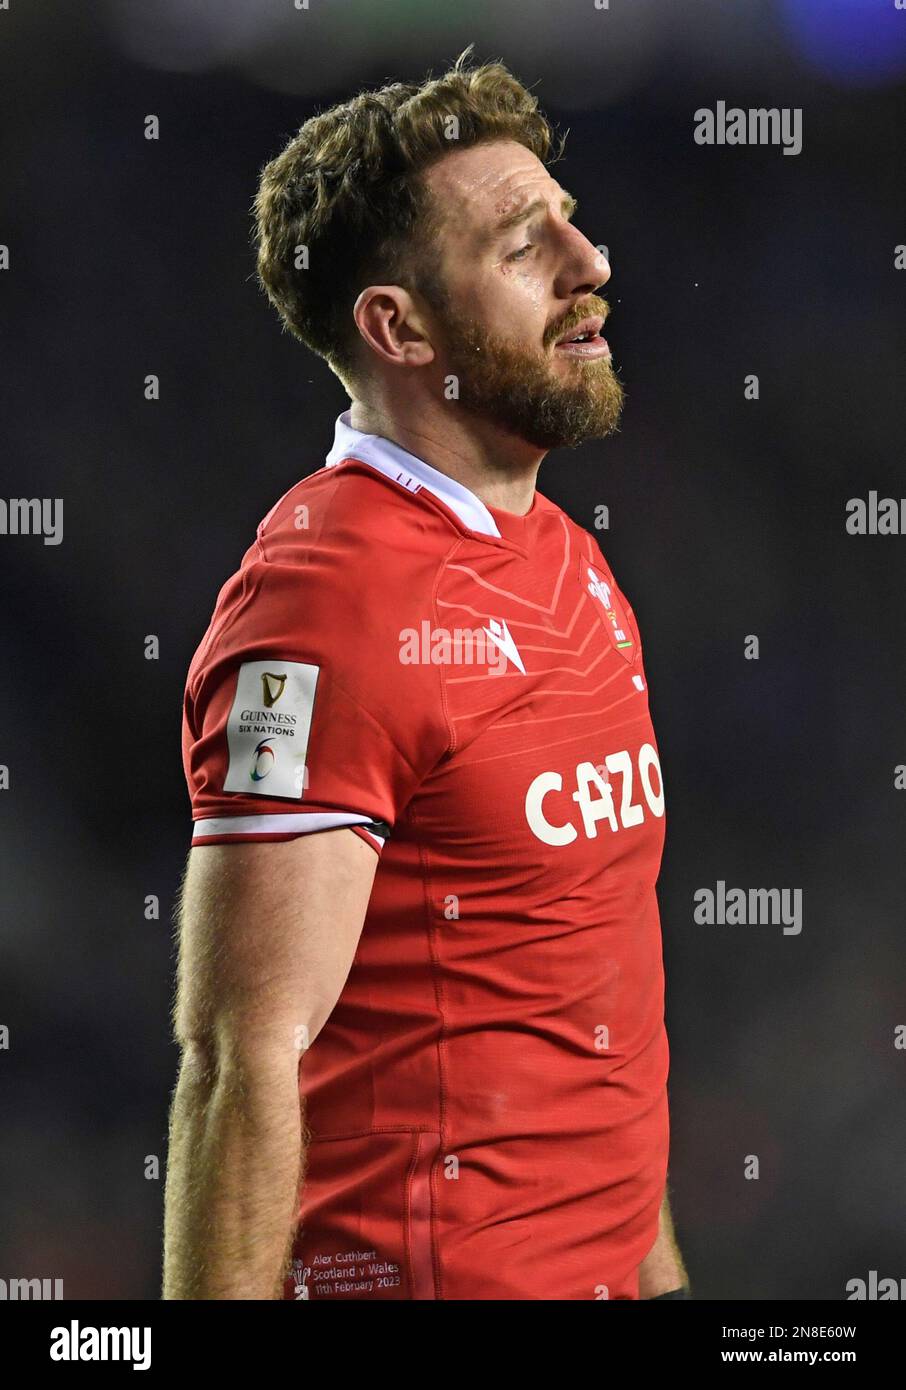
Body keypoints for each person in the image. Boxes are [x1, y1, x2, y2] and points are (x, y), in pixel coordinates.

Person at [163, 45, 690, 1301]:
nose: (591, 263)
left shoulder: (566, 557)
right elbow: (242, 1060)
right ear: (398, 328)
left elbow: (579, 985)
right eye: (524, 247)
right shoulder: (325, 604)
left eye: (570, 219)